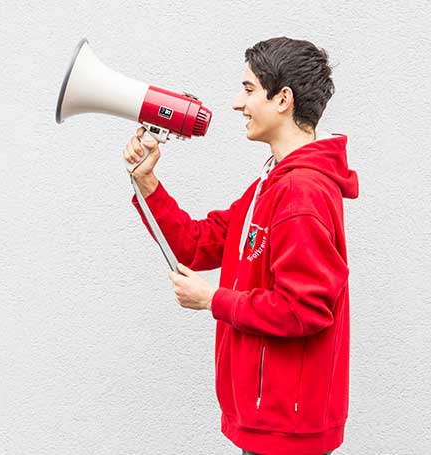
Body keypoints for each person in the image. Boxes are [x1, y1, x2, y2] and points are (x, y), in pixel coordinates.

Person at [123, 37, 358, 455]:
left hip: (286, 432)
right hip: (269, 424)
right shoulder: (271, 186)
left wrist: (214, 299)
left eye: (249, 90)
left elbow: (305, 308)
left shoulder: (301, 194)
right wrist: (147, 183)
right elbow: (196, 245)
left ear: (283, 99)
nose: (237, 103)